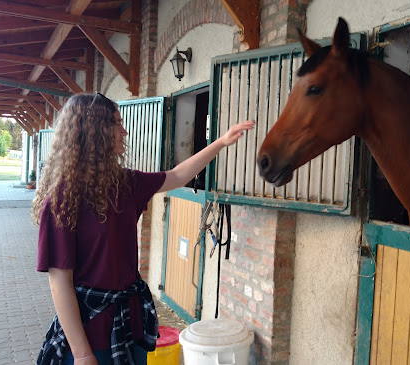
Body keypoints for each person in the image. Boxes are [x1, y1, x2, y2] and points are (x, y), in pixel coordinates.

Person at [32, 92, 254, 365]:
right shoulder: (63, 198)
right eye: (116, 123)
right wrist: (81, 353)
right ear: (95, 131)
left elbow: (176, 176)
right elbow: (59, 282)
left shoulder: (125, 183)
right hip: (91, 334)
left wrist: (220, 143)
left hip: (130, 324)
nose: (124, 131)